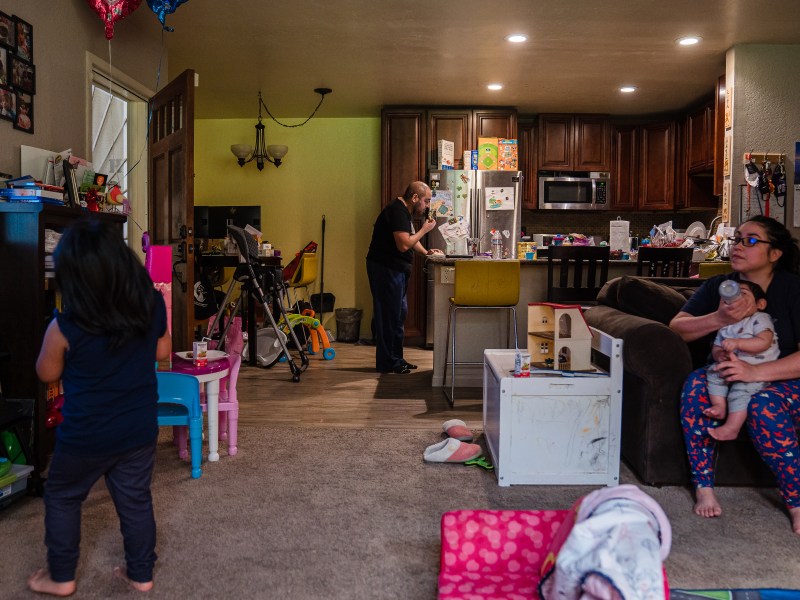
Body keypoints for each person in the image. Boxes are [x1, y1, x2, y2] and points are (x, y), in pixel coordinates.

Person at [28, 218, 171, 596]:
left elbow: (47, 373)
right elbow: (163, 352)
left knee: (63, 495)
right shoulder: (151, 305)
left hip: (85, 435)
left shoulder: (65, 326)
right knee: (136, 501)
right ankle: (141, 574)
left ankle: (61, 577)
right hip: (138, 429)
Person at [669, 215, 800, 532]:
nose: (738, 246)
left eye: (751, 240)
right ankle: (704, 488)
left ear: (775, 253)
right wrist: (718, 317)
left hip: (783, 380)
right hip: (726, 374)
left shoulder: (793, 289)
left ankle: (797, 501)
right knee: (695, 386)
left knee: (762, 405)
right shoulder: (719, 287)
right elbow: (676, 329)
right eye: (737, 238)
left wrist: (755, 372)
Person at [366, 181, 442, 374]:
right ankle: (387, 363)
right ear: (415, 197)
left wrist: (426, 252)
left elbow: (409, 239)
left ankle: (396, 359)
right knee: (388, 316)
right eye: (425, 201)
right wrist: (425, 230)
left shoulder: (403, 211)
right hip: (386, 269)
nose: (426, 206)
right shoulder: (397, 210)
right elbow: (404, 245)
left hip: (396, 269)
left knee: (398, 315)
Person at [704, 280, 779, 441]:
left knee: (739, 392)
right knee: (713, 373)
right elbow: (717, 347)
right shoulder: (726, 325)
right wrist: (719, 355)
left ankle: (732, 427)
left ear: (760, 304)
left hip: (758, 369)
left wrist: (738, 343)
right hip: (733, 367)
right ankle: (719, 406)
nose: (735, 298)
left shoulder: (760, 318)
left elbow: (763, 341)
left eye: (743, 293)